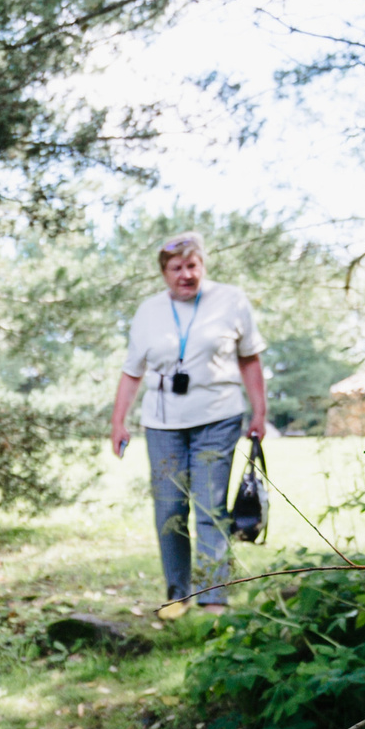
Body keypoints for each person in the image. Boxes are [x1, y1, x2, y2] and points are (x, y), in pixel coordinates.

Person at [108, 232, 267, 618]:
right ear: (164, 273)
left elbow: (250, 359)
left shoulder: (231, 300)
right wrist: (119, 422)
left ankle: (213, 597)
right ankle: (178, 593)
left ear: (203, 266)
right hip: (163, 423)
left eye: (192, 266)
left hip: (218, 416)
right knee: (169, 510)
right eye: (177, 268)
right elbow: (132, 372)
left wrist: (259, 411)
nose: (186, 275)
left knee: (210, 507)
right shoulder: (148, 311)